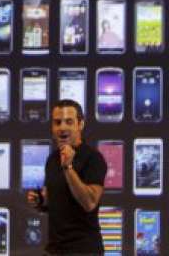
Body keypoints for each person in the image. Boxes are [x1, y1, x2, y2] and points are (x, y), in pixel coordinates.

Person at [26, 99, 107, 255]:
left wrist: (68, 167)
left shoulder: (93, 158)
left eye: (69, 122)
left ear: (80, 124)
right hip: (55, 249)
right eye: (57, 122)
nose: (62, 127)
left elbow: (89, 202)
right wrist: (40, 202)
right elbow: (57, 203)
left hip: (83, 250)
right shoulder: (52, 159)